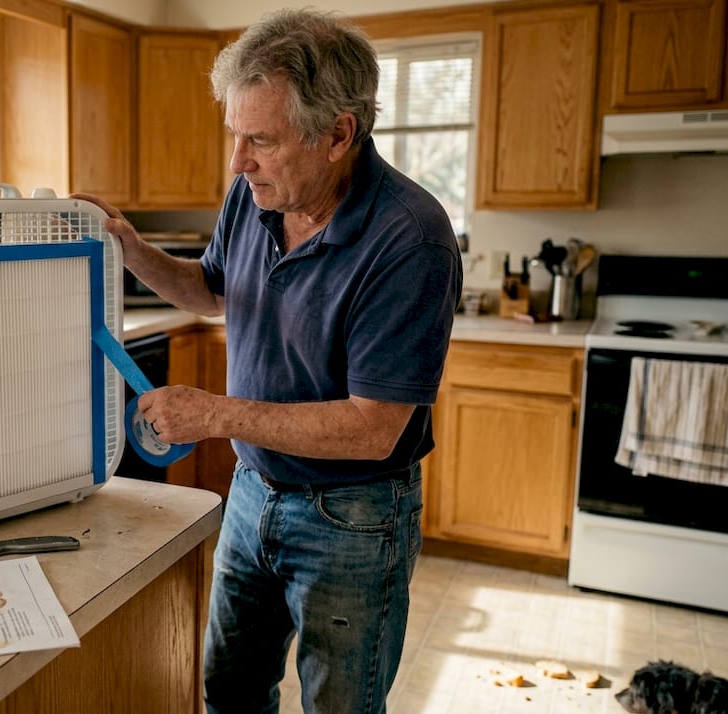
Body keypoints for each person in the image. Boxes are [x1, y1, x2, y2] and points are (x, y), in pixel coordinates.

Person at [75, 7, 461, 713]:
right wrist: (130, 248)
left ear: (338, 133)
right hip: (254, 492)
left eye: (261, 140)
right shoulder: (252, 195)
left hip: (354, 516)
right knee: (230, 691)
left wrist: (216, 414)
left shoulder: (411, 238)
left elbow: (374, 428)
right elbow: (212, 290)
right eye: (236, 135)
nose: (237, 160)